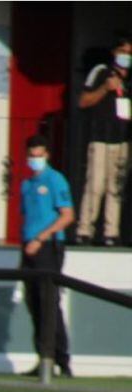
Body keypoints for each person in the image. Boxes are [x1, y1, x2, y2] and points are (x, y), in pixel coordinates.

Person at [20, 135, 75, 378]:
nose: (35, 160)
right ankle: (42, 358)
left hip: (48, 247)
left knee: (49, 301)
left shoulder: (55, 180)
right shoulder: (26, 184)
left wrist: (41, 238)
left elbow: (66, 215)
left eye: (39, 155)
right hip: (28, 247)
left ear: (47, 155)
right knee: (33, 303)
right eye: (32, 156)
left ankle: (60, 359)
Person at [74, 35, 131, 247]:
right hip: (100, 138)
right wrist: (105, 88)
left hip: (122, 140)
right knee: (95, 185)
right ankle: (85, 229)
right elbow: (83, 100)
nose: (127, 57)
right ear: (115, 52)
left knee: (115, 187)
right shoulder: (101, 71)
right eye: (124, 52)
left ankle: (111, 232)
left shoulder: (129, 79)